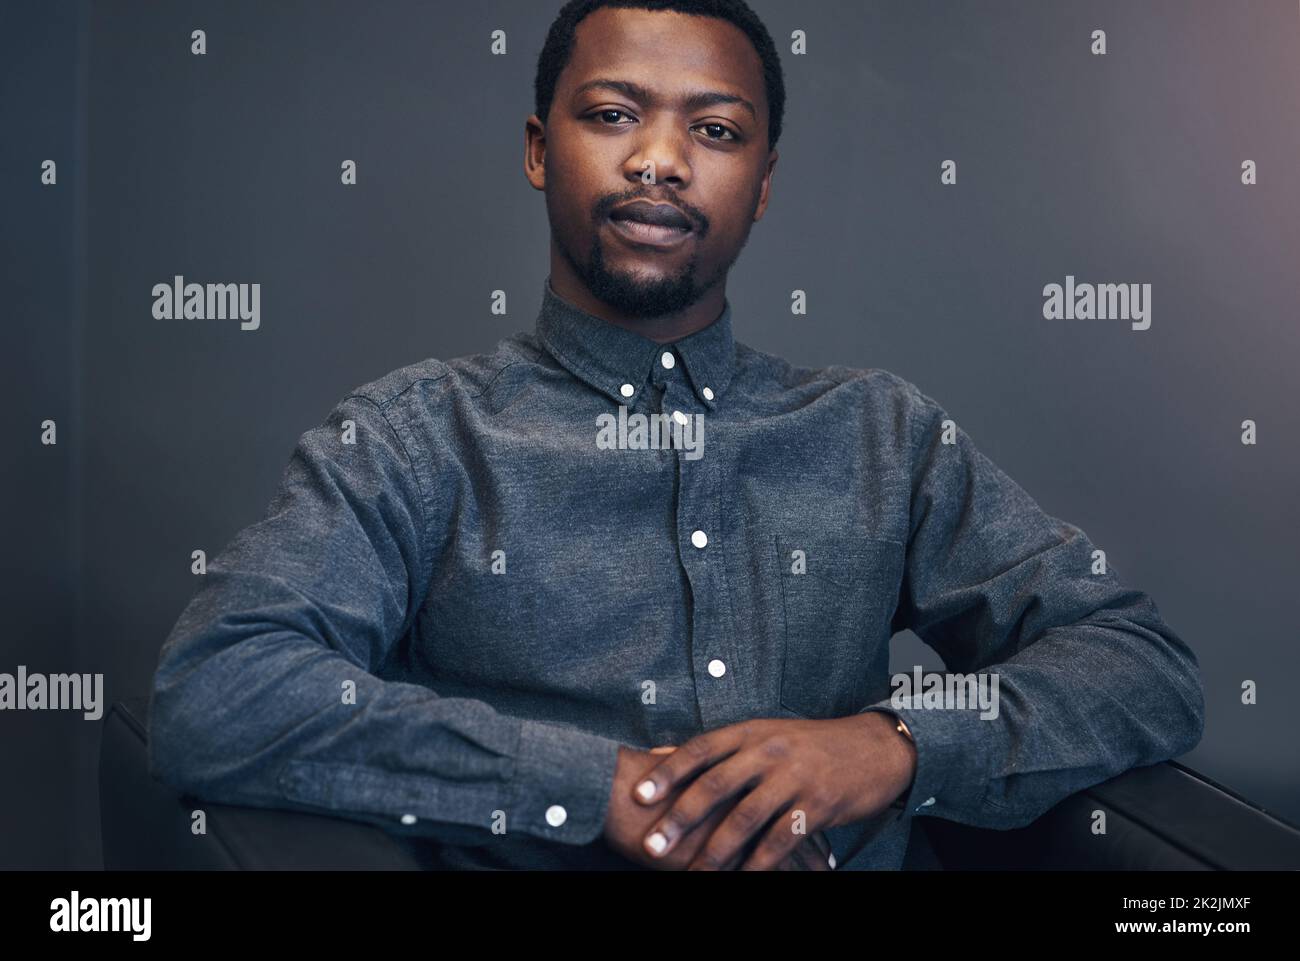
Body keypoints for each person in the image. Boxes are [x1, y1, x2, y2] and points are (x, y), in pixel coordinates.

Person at [148, 0, 1205, 871]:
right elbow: (218, 691)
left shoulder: (880, 437)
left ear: (762, 183)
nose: (659, 160)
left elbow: (1141, 665)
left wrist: (891, 745)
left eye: (715, 130)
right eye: (613, 114)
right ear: (537, 148)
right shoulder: (415, 441)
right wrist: (587, 787)